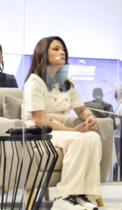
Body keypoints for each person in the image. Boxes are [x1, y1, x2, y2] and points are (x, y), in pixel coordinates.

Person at [23, 36, 102, 210]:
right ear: (43, 54)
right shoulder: (34, 82)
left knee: (93, 137)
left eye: (63, 49)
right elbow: (39, 121)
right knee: (78, 138)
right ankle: (63, 198)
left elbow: (81, 109)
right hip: (39, 132)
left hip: (60, 132)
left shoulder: (67, 81)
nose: (62, 52)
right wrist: (72, 130)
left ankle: (81, 195)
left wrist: (90, 116)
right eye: (56, 49)